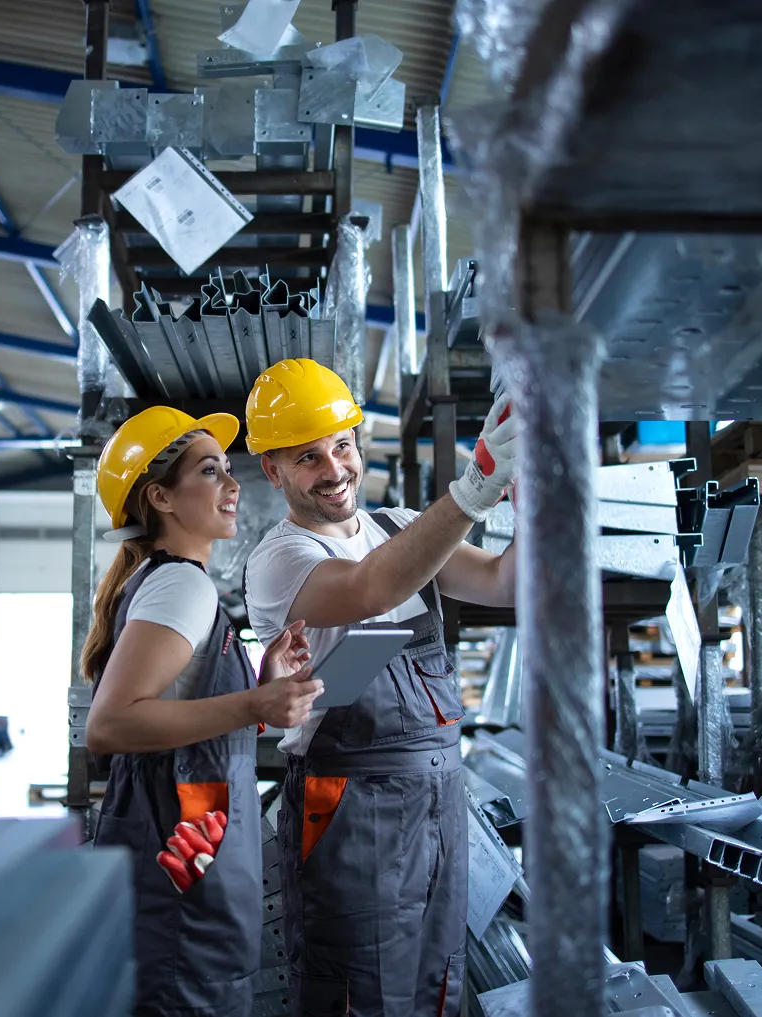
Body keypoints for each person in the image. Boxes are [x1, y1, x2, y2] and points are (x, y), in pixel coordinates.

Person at [243, 359, 518, 1017]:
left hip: (438, 791)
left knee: (436, 977)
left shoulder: (398, 528)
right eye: (308, 457)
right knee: (360, 983)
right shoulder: (279, 559)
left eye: (342, 445)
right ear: (274, 471)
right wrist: (473, 489)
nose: (334, 469)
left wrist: (531, 485)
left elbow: (507, 582)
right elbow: (370, 589)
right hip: (349, 802)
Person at [82, 405, 324, 1017]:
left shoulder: (176, 585)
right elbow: (110, 725)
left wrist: (263, 688)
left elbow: (181, 716)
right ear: (161, 497)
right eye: (210, 470)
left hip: (192, 855)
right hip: (181, 864)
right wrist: (253, 700)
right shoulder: (181, 586)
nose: (233, 483)